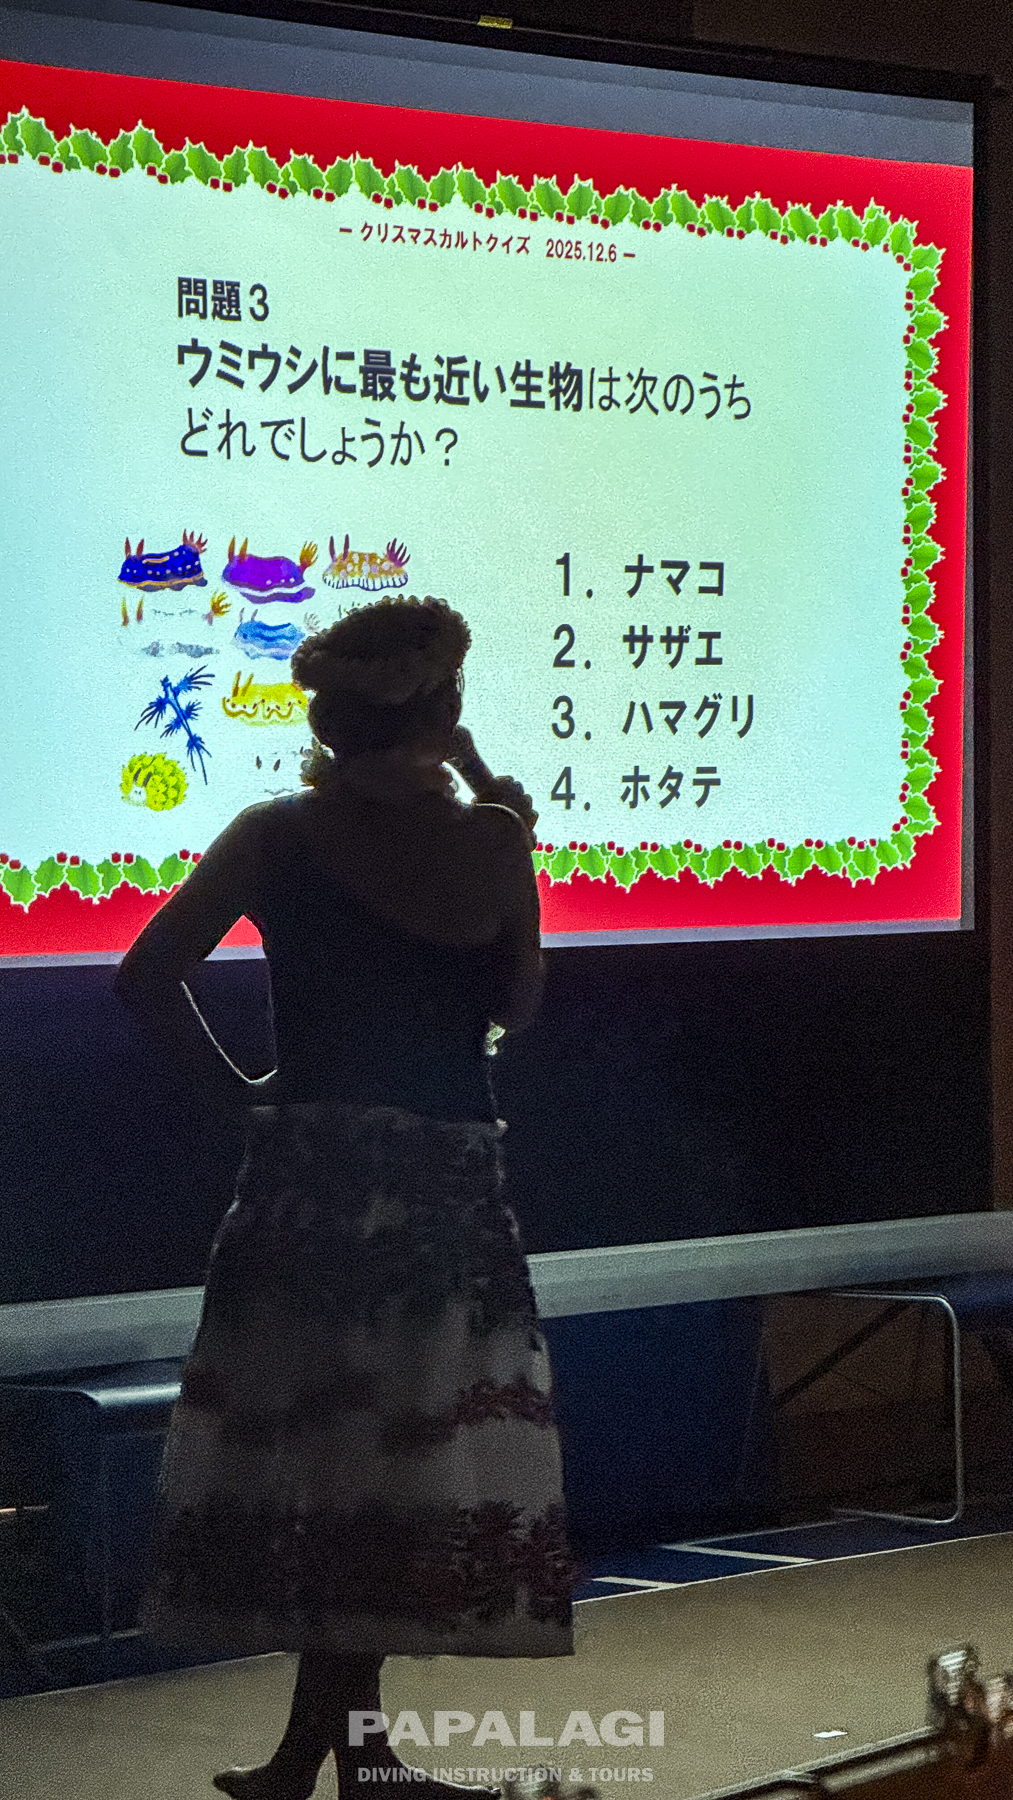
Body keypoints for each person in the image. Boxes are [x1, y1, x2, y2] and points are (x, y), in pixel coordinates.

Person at [114, 595, 577, 1800]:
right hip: (440, 1183)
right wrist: (495, 796)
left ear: (327, 718)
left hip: (309, 1179)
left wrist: (240, 1094)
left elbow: (146, 974)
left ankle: (325, 1759)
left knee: (324, 1462)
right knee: (397, 1464)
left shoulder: (276, 831)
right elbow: (518, 1006)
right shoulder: (492, 840)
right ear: (443, 711)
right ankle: (345, 1760)